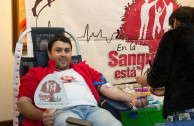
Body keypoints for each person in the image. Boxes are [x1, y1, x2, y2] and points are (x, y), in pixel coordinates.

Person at [18, 35, 149, 126]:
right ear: (49, 54)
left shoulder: (83, 69)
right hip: (63, 112)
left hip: (93, 110)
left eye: (67, 50)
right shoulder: (36, 73)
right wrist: (41, 116)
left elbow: (107, 87)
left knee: (114, 124)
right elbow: (23, 102)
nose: (63, 54)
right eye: (58, 50)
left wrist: (131, 98)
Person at [136, 6, 194, 126]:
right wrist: (169, 90)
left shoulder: (173, 36)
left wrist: (146, 80)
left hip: (184, 110)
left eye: (171, 25)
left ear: (175, 21)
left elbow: (158, 77)